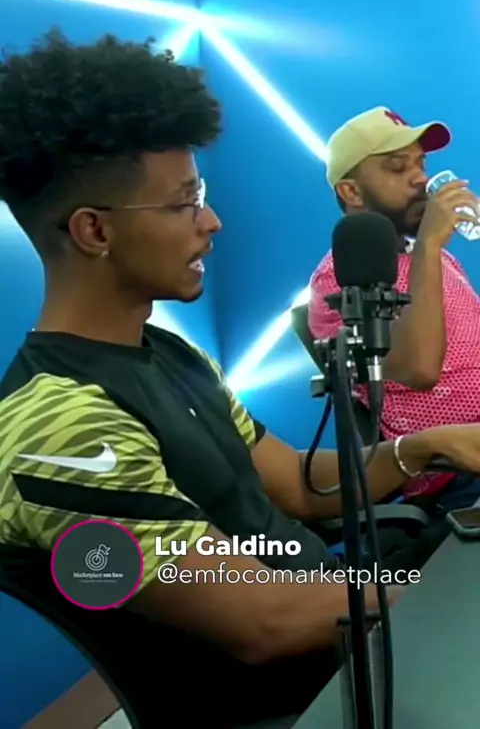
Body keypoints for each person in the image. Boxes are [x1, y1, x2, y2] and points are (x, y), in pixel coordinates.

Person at [0, 42, 480, 728]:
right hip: (304, 692)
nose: (212, 221)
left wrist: (428, 445)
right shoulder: (58, 426)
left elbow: (297, 487)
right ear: (94, 230)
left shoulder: (171, 355)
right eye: (184, 203)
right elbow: (263, 618)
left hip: (346, 622)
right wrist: (429, 595)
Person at [309, 104, 480, 515]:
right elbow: (420, 368)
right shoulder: (342, 277)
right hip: (457, 475)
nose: (419, 178)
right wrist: (428, 245)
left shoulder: (440, 261)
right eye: (398, 167)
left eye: (420, 164)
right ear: (352, 192)